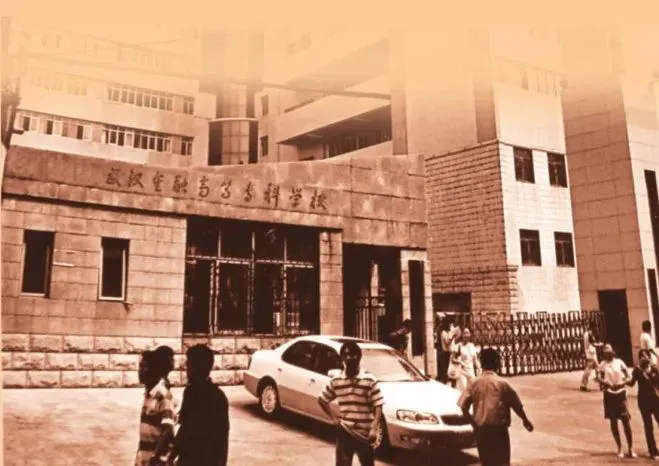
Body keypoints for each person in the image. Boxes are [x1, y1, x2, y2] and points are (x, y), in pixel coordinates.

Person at [458, 348, 534, 466]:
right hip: (499, 431)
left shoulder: (473, 383)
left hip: (481, 430)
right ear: (496, 363)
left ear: (482, 363)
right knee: (502, 462)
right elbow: (516, 405)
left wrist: (473, 424)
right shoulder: (502, 384)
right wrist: (525, 420)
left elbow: (463, 406)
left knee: (486, 461)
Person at [318, 341, 385, 466]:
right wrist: (333, 418)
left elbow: (378, 404)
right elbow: (322, 399)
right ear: (342, 358)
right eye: (346, 355)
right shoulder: (337, 380)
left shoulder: (369, 380)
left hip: (364, 433)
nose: (350, 358)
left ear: (359, 357)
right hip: (345, 431)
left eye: (353, 355)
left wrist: (374, 427)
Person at [172, 344, 230, 466]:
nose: (186, 369)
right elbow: (184, 429)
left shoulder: (214, 397)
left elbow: (221, 439)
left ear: (197, 367)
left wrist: (172, 455)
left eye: (189, 365)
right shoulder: (193, 392)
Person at [135, 349, 176, 466]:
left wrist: (155, 457)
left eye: (144, 367)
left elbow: (168, 430)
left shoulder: (163, 395)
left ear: (154, 370)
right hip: (144, 458)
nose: (140, 371)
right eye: (140, 366)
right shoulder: (148, 394)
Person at [597, 343, 637, 459]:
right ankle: (619, 447)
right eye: (605, 350)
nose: (607, 352)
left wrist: (622, 383)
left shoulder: (619, 362)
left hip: (621, 393)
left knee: (625, 420)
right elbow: (598, 378)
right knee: (613, 421)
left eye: (608, 349)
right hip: (609, 394)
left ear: (612, 351)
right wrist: (606, 383)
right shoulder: (602, 365)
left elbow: (629, 377)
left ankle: (631, 447)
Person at [628, 350, 659, 460]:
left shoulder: (654, 369)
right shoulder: (637, 370)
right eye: (642, 356)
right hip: (643, 401)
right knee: (648, 426)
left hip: (655, 399)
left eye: (646, 356)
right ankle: (653, 451)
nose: (644, 358)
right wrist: (622, 381)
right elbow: (631, 383)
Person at [452, 327, 481, 393]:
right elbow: (452, 359)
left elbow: (475, 359)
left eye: (467, 333)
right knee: (463, 391)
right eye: (464, 333)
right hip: (462, 372)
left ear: (470, 334)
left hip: (471, 372)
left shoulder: (472, 346)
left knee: (472, 391)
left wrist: (479, 367)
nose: (466, 335)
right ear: (462, 335)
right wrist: (460, 362)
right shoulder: (458, 346)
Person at [438, 319, 459, 383]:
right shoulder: (443, 333)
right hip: (446, 353)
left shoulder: (449, 332)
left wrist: (455, 336)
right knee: (446, 371)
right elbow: (447, 343)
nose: (450, 326)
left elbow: (452, 341)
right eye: (449, 325)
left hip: (451, 352)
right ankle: (445, 381)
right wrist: (452, 337)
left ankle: (452, 382)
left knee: (453, 371)